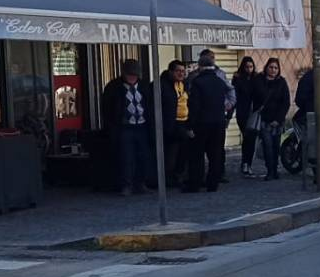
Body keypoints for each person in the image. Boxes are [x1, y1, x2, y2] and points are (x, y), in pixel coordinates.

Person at [183, 49, 236, 192]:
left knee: (197, 154)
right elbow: (229, 96)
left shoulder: (197, 82)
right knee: (215, 154)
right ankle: (213, 183)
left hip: (202, 123)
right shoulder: (220, 81)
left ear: (200, 67)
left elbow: (194, 106)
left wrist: (190, 125)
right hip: (219, 122)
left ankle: (195, 183)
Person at [100, 59, 153, 195]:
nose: (132, 78)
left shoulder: (144, 86)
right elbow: (108, 110)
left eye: (134, 75)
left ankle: (141, 183)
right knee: (126, 156)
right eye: (129, 75)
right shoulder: (113, 87)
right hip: (124, 127)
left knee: (143, 155)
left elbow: (149, 106)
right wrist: (111, 128)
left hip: (142, 125)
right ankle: (126, 184)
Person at [253, 57, 292, 180]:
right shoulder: (259, 80)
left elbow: (286, 102)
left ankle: (275, 169)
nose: (273, 70)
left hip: (278, 120)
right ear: (266, 67)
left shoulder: (281, 82)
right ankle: (270, 170)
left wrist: (279, 118)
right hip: (264, 119)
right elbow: (255, 97)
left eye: (276, 68)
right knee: (267, 146)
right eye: (271, 67)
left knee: (276, 146)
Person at [159, 59, 193, 192]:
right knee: (171, 153)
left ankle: (178, 175)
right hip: (170, 124)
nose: (181, 73)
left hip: (184, 122)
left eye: (183, 71)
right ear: (171, 71)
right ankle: (169, 177)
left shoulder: (184, 84)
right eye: (178, 71)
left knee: (183, 151)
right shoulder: (162, 85)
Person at [231, 54, 260, 178]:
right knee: (247, 137)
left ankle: (248, 163)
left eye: (251, 66)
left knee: (251, 139)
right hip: (242, 113)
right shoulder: (238, 79)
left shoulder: (257, 79)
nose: (249, 69)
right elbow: (235, 96)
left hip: (253, 113)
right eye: (247, 67)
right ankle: (245, 163)